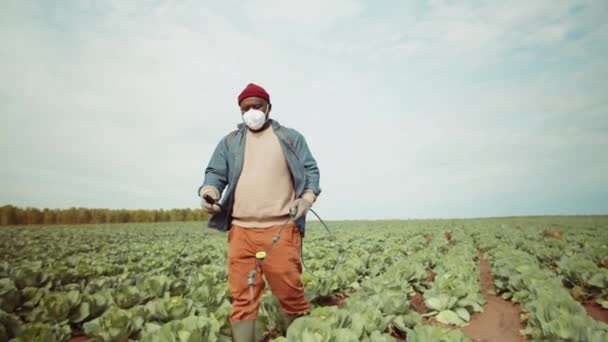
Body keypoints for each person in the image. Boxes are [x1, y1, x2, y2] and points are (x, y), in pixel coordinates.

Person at [197, 83, 321, 342]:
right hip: (241, 231)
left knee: (291, 294)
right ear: (240, 110)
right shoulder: (230, 141)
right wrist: (209, 191)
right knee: (244, 297)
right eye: (246, 108)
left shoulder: (290, 137)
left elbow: (310, 170)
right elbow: (215, 173)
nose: (252, 112)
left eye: (257, 106)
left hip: (281, 229)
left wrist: (307, 197)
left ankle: (300, 336)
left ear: (269, 108)